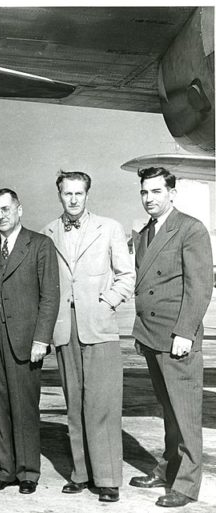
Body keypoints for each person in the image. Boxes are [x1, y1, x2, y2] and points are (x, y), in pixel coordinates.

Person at [42, 171, 135, 503]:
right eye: (67, 194)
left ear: (87, 195)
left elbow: (126, 276)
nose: (73, 199)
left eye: (79, 193)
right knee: (74, 406)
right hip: (65, 332)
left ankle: (107, 478)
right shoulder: (48, 233)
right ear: (59, 195)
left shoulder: (109, 227)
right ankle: (81, 473)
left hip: (100, 331)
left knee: (103, 405)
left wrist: (107, 303)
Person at [129, 167, 213, 508]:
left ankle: (187, 485)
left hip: (176, 336)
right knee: (168, 410)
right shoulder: (144, 232)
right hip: (151, 336)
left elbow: (199, 287)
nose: (150, 198)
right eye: (145, 193)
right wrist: (140, 333)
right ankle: (168, 468)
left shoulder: (190, 229)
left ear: (172, 193)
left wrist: (185, 332)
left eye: (156, 192)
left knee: (186, 413)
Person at [0, 188, 59, 495]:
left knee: (25, 408)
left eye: (6, 209)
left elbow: (50, 296)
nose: (1, 216)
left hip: (26, 340)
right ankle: (6, 469)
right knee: (1, 406)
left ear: (19, 210)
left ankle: (28, 472)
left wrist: (42, 338)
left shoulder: (39, 244)